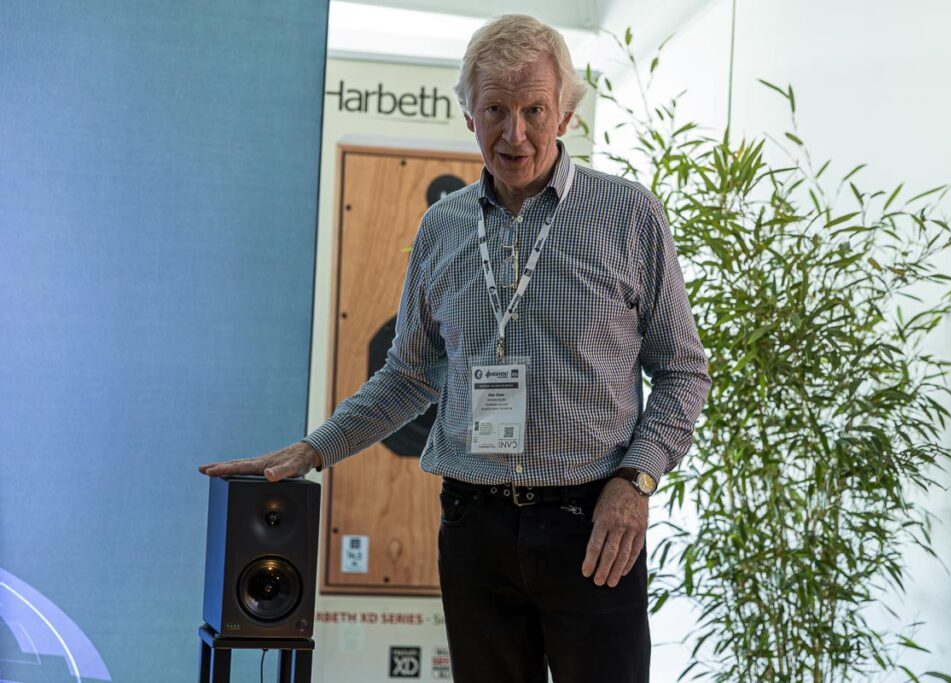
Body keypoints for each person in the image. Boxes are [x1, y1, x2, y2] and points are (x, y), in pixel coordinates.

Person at [200, 14, 710, 683]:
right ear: (469, 114)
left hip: (594, 527)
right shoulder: (441, 229)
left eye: (534, 110)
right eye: (495, 109)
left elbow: (682, 371)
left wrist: (636, 480)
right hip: (475, 531)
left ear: (565, 114)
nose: (515, 133)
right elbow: (408, 376)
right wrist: (312, 449)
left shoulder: (627, 214)